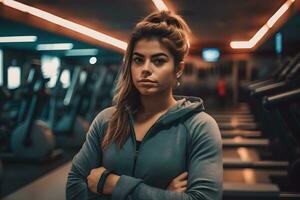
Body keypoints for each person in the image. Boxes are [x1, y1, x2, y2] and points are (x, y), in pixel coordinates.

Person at [66, 10, 223, 200]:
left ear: (178, 69)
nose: (146, 69)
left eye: (158, 61)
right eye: (138, 60)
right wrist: (163, 195)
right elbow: (74, 188)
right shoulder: (106, 120)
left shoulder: (200, 127)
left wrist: (114, 185)